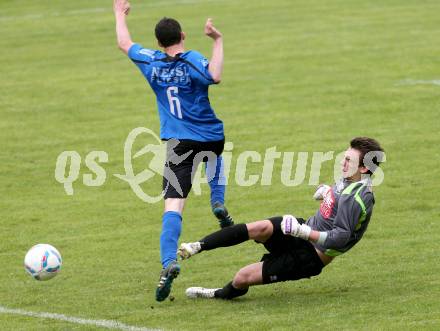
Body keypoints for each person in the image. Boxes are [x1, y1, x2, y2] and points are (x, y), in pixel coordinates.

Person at [113, 0, 234, 302]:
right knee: (215, 156)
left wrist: (119, 14)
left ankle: (169, 262)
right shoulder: (191, 59)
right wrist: (217, 41)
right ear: (182, 35)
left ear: (158, 42)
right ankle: (218, 202)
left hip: (179, 144)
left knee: (173, 207)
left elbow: (124, 43)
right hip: (209, 135)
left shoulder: (150, 61)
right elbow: (215, 75)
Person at [178, 137, 384, 300]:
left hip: (311, 255)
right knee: (259, 228)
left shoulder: (356, 198)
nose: (343, 162)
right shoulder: (353, 179)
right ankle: (198, 246)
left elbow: (340, 238)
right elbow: (338, 201)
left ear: (364, 168)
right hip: (302, 230)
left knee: (242, 278)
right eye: (344, 156)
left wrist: (303, 232)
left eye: (349, 160)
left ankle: (218, 294)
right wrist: (327, 192)